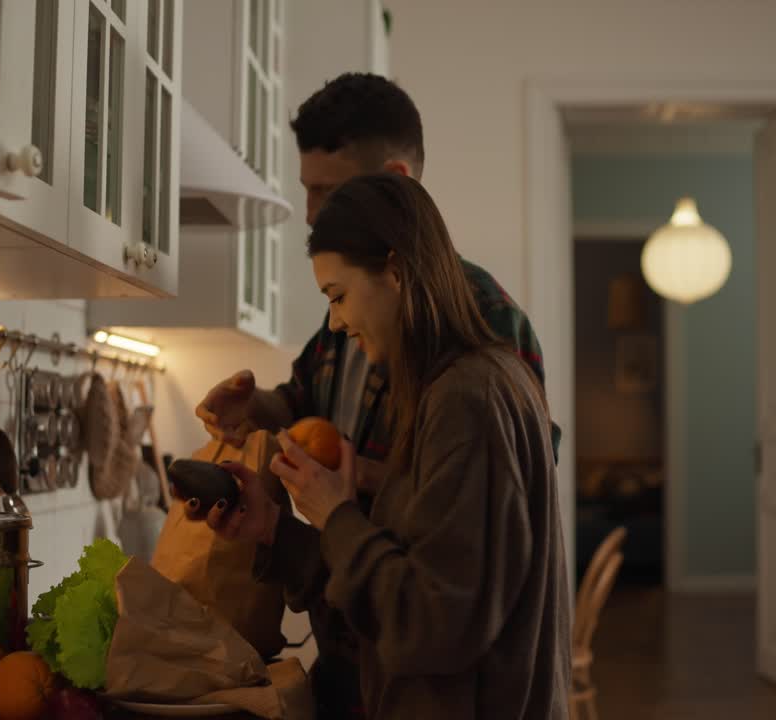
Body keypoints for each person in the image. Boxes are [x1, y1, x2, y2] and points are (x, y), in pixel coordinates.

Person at [194, 73, 559, 717]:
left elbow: (432, 621)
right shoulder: (429, 362)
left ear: (394, 266)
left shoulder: (470, 388)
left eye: (337, 296)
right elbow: (399, 576)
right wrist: (278, 528)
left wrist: (337, 507)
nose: (334, 321)